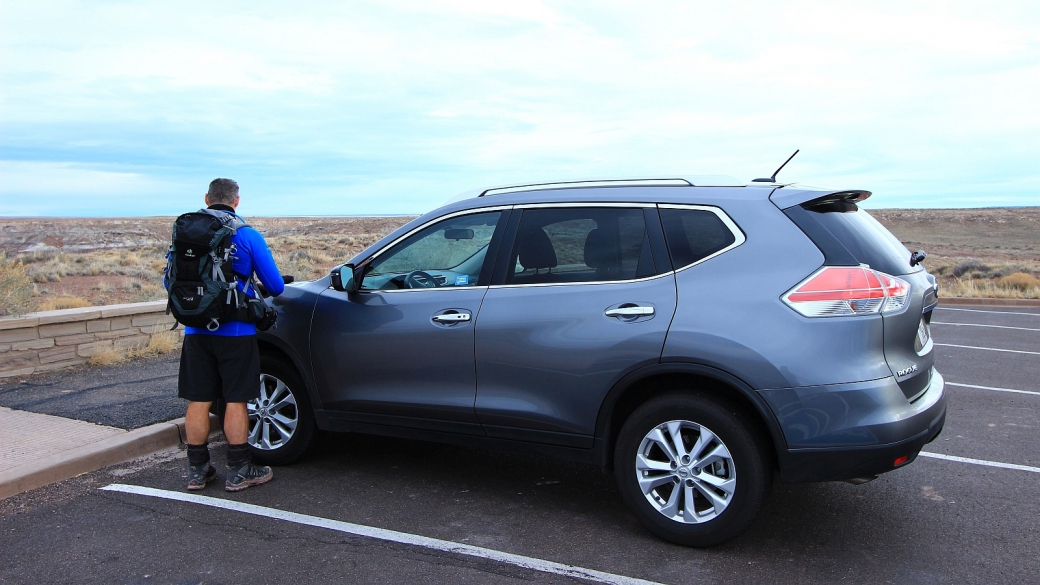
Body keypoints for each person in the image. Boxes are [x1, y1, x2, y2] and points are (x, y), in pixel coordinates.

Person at [179, 178, 286, 492]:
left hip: (195, 330)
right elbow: (276, 286)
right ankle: (239, 470)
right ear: (236, 201)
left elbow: (169, 280)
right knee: (236, 400)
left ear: (207, 198)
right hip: (236, 331)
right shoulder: (245, 234)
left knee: (198, 400)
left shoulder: (185, 234)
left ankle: (198, 472)